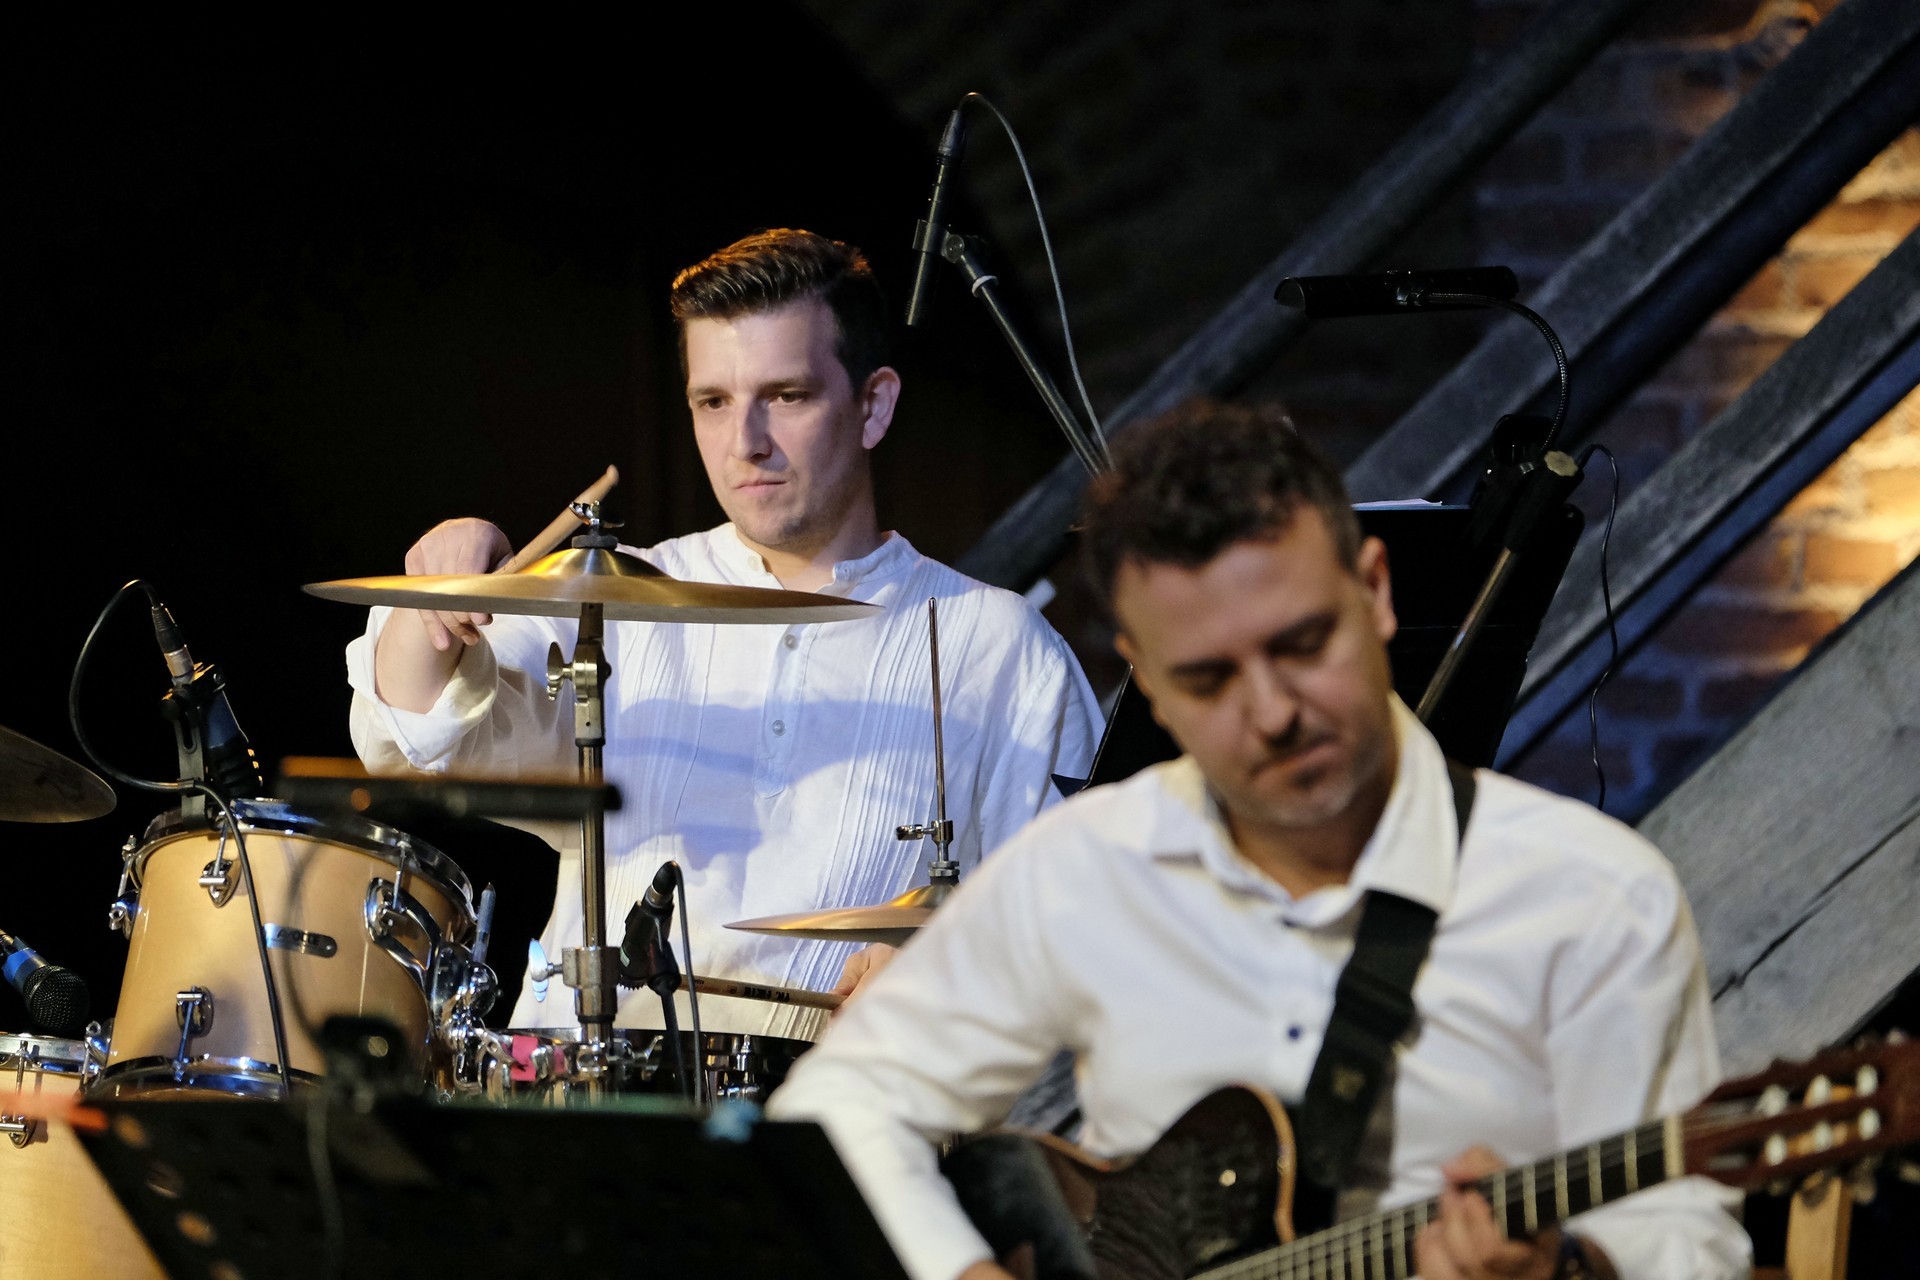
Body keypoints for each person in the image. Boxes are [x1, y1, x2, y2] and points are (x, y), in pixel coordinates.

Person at [768, 401, 1751, 1280]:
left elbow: (1690, 1237)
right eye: (1209, 679)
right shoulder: (1090, 864)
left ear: (1375, 590)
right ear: (1146, 679)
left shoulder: (1594, 892)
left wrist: (1565, 1265)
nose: (1274, 712)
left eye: (1302, 644)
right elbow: (838, 1108)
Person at [346, 228, 1101, 1037]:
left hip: (832, 1103)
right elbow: (409, 735)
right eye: (713, 402)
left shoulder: (997, 645)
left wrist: (952, 963)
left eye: (788, 395)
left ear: (874, 405)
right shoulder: (614, 594)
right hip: (577, 1089)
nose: (746, 443)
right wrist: (436, 590)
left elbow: (1087, 927)